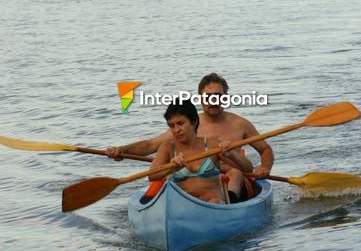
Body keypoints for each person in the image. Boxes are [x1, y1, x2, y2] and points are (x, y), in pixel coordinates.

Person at [107, 73, 274, 201]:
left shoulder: (240, 124)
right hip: (189, 177)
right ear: (200, 98)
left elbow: (265, 149)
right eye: (208, 97)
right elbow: (151, 145)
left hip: (230, 178)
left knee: (235, 172)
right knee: (162, 183)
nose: (213, 101)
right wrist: (121, 150)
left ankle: (230, 206)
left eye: (218, 96)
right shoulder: (186, 124)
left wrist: (264, 168)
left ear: (225, 97)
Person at [148, 99, 253, 204]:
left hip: (214, 203)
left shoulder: (211, 145)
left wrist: (232, 155)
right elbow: (152, 176)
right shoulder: (168, 148)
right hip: (183, 206)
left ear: (194, 122)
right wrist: (171, 168)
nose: (176, 130)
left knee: (215, 201)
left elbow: (248, 169)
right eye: (171, 125)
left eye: (180, 123)